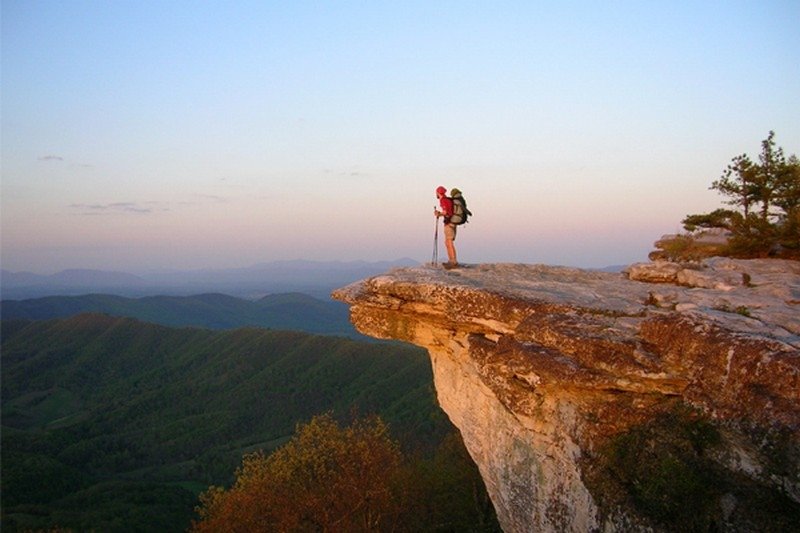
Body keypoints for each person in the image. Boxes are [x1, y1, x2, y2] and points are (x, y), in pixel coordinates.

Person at [434, 186, 458, 269]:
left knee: (449, 242)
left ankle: (453, 261)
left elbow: (445, 212)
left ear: (438, 193)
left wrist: (439, 214)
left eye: (436, 192)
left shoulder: (443, 200)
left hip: (449, 223)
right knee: (447, 242)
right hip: (452, 222)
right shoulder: (448, 200)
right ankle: (451, 261)